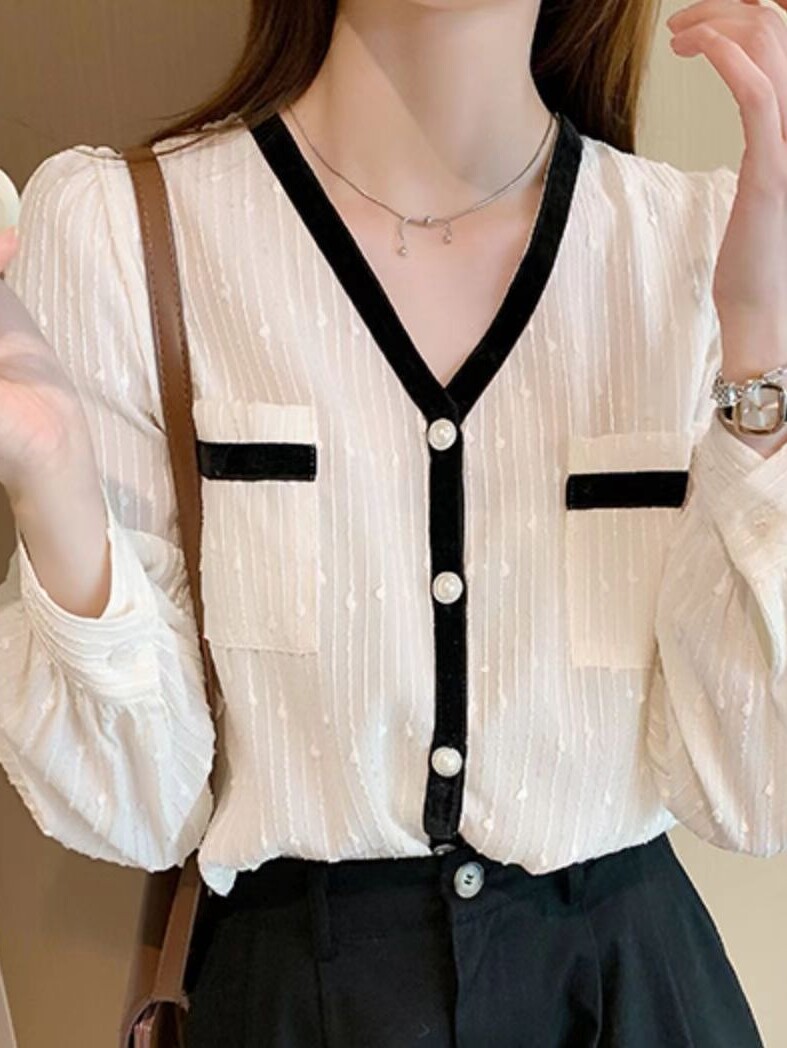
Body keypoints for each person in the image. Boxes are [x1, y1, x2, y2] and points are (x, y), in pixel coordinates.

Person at [1, 0, 786, 1043]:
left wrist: (761, 345)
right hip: (296, 1000)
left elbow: (751, 788)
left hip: (634, 996)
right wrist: (48, 469)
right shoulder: (121, 230)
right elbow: (140, 807)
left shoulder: (705, 239)